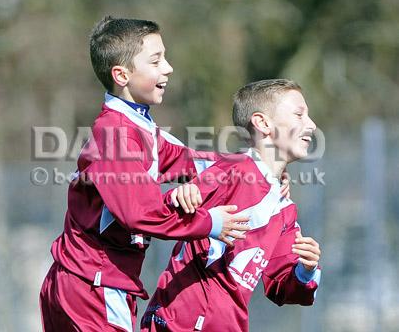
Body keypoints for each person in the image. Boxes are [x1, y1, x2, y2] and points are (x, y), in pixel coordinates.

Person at [39, 16, 255, 332]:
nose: (167, 68)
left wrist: (258, 167)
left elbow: (192, 162)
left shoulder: (140, 128)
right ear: (121, 75)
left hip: (88, 283)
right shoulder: (115, 135)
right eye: (156, 61)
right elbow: (140, 213)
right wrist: (211, 223)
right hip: (94, 288)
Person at [141, 79, 322, 332]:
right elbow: (155, 214)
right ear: (263, 123)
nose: (311, 124)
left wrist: (305, 270)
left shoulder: (285, 208)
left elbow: (281, 286)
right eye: (299, 114)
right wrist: (178, 197)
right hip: (178, 323)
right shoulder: (231, 170)